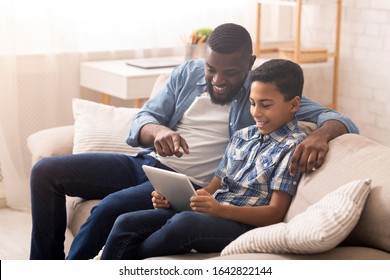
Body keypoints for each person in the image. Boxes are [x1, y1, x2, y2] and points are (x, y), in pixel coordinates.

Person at [29, 23, 359, 260]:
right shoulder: (187, 73)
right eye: (211, 68)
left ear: (250, 63)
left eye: (229, 73)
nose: (217, 80)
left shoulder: (263, 93)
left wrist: (320, 134)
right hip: (146, 164)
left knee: (111, 209)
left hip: (188, 182)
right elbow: (142, 120)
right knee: (46, 172)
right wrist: (159, 132)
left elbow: (338, 119)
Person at [99, 58, 307, 259]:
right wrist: (174, 199)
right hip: (212, 213)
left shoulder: (294, 146)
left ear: (294, 104)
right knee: (125, 222)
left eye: (265, 105)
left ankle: (128, 259)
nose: (256, 112)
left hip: (241, 225)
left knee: (184, 224)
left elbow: (275, 213)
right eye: (252, 103)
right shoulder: (242, 136)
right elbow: (213, 187)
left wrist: (220, 210)